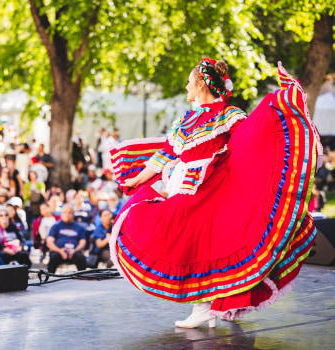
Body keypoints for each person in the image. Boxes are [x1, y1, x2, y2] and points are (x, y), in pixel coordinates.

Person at [109, 59, 321, 328]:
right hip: (184, 189)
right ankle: (209, 306)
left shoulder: (229, 115)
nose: (186, 86)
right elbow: (166, 154)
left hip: (212, 189)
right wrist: (136, 179)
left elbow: (249, 142)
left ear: (199, 85)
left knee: (199, 245)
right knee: (193, 243)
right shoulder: (186, 118)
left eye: (189, 82)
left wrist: (277, 104)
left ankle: (203, 307)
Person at [46, 204, 87, 273]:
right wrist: (59, 251)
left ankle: (83, 278)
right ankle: (50, 277)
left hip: (74, 252)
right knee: (53, 258)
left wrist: (75, 250)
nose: (67, 215)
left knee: (81, 258)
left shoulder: (80, 227)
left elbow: (83, 243)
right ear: (61, 214)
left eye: (70, 213)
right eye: (65, 212)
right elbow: (49, 242)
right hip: (58, 252)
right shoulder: (56, 226)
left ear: (73, 214)